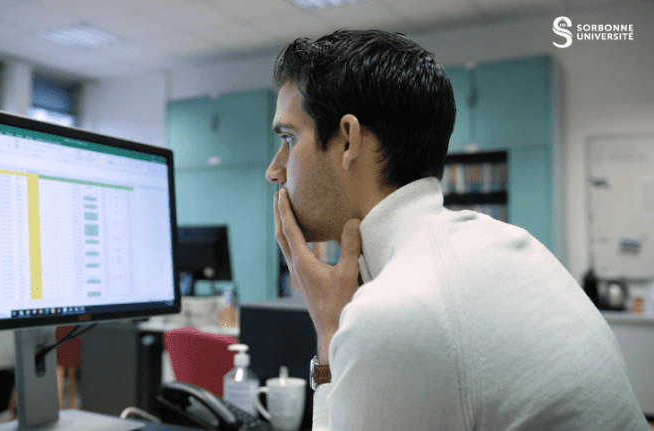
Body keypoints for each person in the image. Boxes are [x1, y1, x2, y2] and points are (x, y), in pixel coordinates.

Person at [266, 29, 648, 431]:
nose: (274, 170)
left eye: (289, 139)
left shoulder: (393, 315)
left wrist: (329, 334)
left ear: (348, 141)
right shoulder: (512, 245)